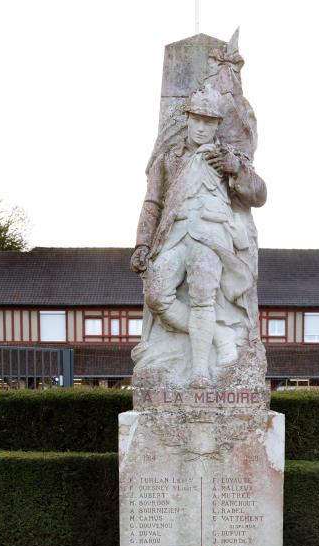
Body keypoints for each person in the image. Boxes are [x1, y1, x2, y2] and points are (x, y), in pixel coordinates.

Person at [131, 85, 266, 387]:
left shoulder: (228, 157)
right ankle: (220, 336)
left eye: (209, 121)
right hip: (176, 233)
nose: (202, 127)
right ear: (188, 119)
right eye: (197, 120)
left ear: (218, 124)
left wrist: (236, 171)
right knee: (156, 295)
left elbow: (259, 195)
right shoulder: (167, 159)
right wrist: (142, 243)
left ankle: (200, 372)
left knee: (203, 300)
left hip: (211, 234)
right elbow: (152, 201)